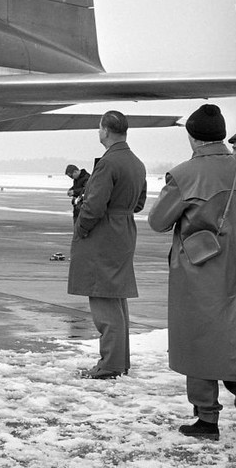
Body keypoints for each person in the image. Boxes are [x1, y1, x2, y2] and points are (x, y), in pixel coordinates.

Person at [148, 104, 236, 441]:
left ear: (193, 137)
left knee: (199, 340)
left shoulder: (184, 174)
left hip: (201, 271)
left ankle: (206, 418)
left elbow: (157, 222)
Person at [68, 110, 146, 380]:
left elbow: (94, 205)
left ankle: (110, 364)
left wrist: (82, 228)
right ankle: (118, 361)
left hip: (103, 236)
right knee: (116, 299)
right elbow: (139, 204)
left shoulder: (109, 163)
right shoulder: (136, 163)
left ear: (106, 131)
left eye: (99, 128)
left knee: (103, 300)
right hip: (124, 232)